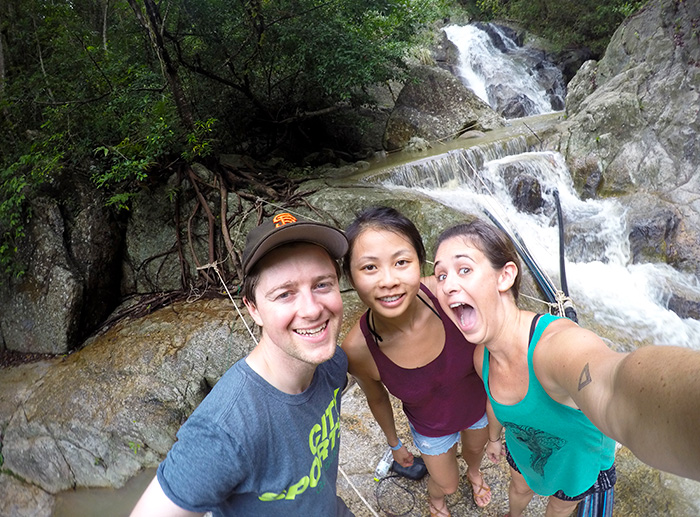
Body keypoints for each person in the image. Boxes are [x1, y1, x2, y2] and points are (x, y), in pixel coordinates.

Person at [432, 218, 700, 517]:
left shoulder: (554, 349)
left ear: (505, 276)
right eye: (440, 275)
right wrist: (494, 438)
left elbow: (614, 387)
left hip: (576, 465)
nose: (448, 285)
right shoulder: (481, 355)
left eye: (464, 269)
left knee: (560, 506)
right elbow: (494, 400)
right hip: (525, 451)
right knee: (519, 488)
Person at [130, 211, 354, 517]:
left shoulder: (332, 364)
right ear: (254, 309)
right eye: (285, 294)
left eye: (322, 285)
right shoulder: (225, 430)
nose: (312, 309)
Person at [341, 207, 492, 517]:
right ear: (351, 277)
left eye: (401, 262)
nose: (388, 281)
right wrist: (395, 443)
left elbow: (503, 332)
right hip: (431, 428)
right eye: (370, 267)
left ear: (419, 262)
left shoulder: (448, 295)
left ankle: (474, 474)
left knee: (475, 453)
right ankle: (437, 500)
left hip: (477, 407)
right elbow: (376, 397)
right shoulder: (358, 349)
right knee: (445, 484)